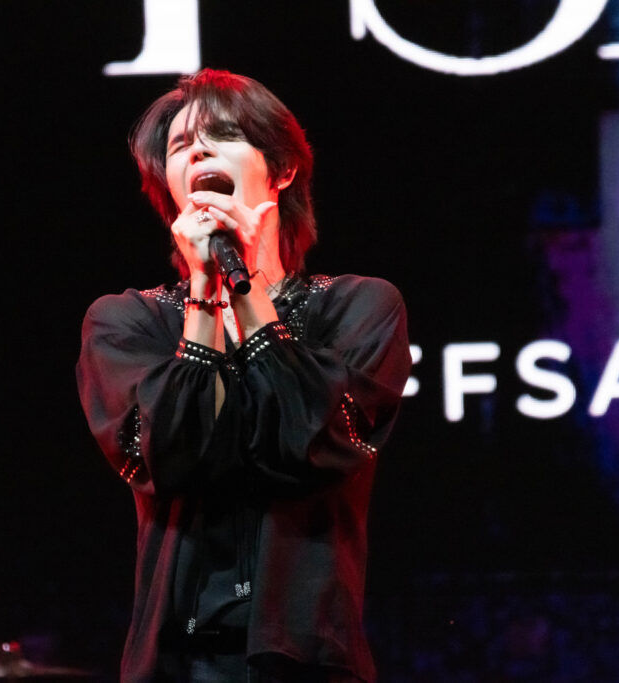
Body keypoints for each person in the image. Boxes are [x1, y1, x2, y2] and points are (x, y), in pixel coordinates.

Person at [76, 69, 411, 682]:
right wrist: (204, 294)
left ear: (281, 170)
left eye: (224, 135)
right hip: (178, 662)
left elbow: (312, 444)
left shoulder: (357, 308)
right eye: (181, 145)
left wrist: (247, 283)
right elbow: (171, 460)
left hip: (309, 660)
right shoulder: (127, 322)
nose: (199, 151)